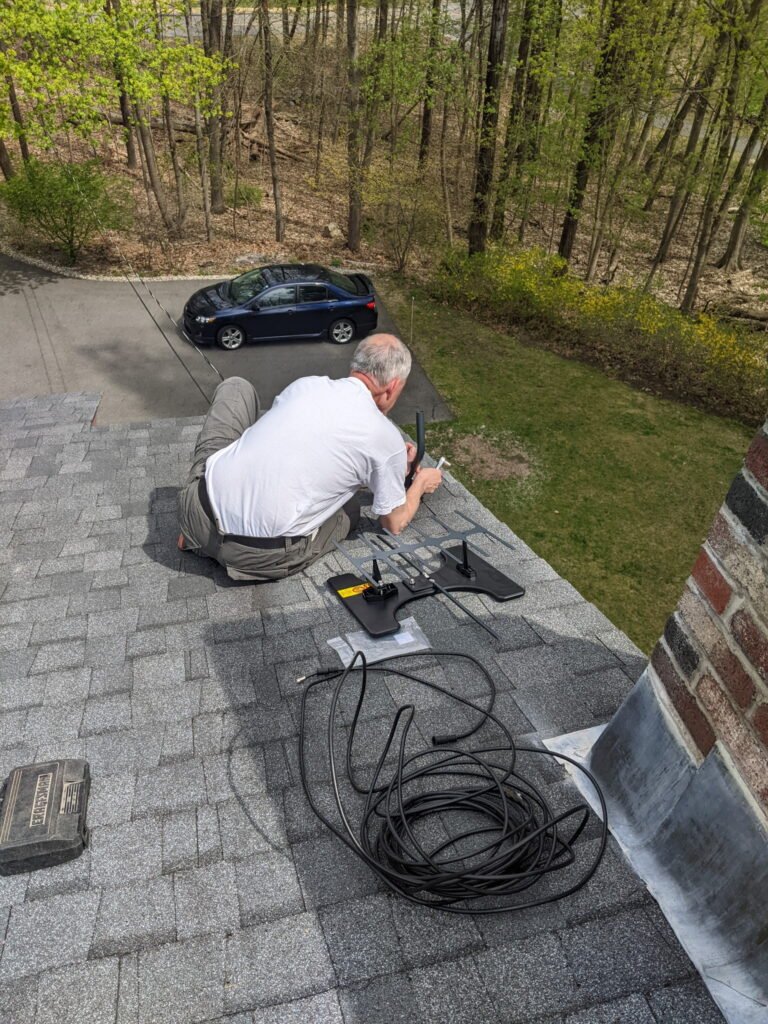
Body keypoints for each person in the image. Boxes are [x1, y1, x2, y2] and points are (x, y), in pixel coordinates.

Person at [177, 333, 442, 581]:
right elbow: (393, 523)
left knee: (236, 387)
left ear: (356, 366)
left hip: (195, 511)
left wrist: (392, 462)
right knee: (349, 507)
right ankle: (211, 544)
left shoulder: (307, 385)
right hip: (258, 557)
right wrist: (420, 484)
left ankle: (195, 537)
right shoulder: (384, 436)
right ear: (392, 387)